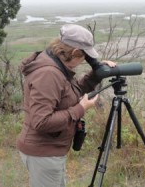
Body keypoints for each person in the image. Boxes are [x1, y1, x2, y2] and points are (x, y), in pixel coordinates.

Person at [17, 24, 116, 187]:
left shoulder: (57, 64)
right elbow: (41, 121)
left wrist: (95, 75)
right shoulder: (49, 73)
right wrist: (80, 108)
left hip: (48, 151)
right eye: (85, 56)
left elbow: (69, 93)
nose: (85, 60)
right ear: (76, 52)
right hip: (44, 153)